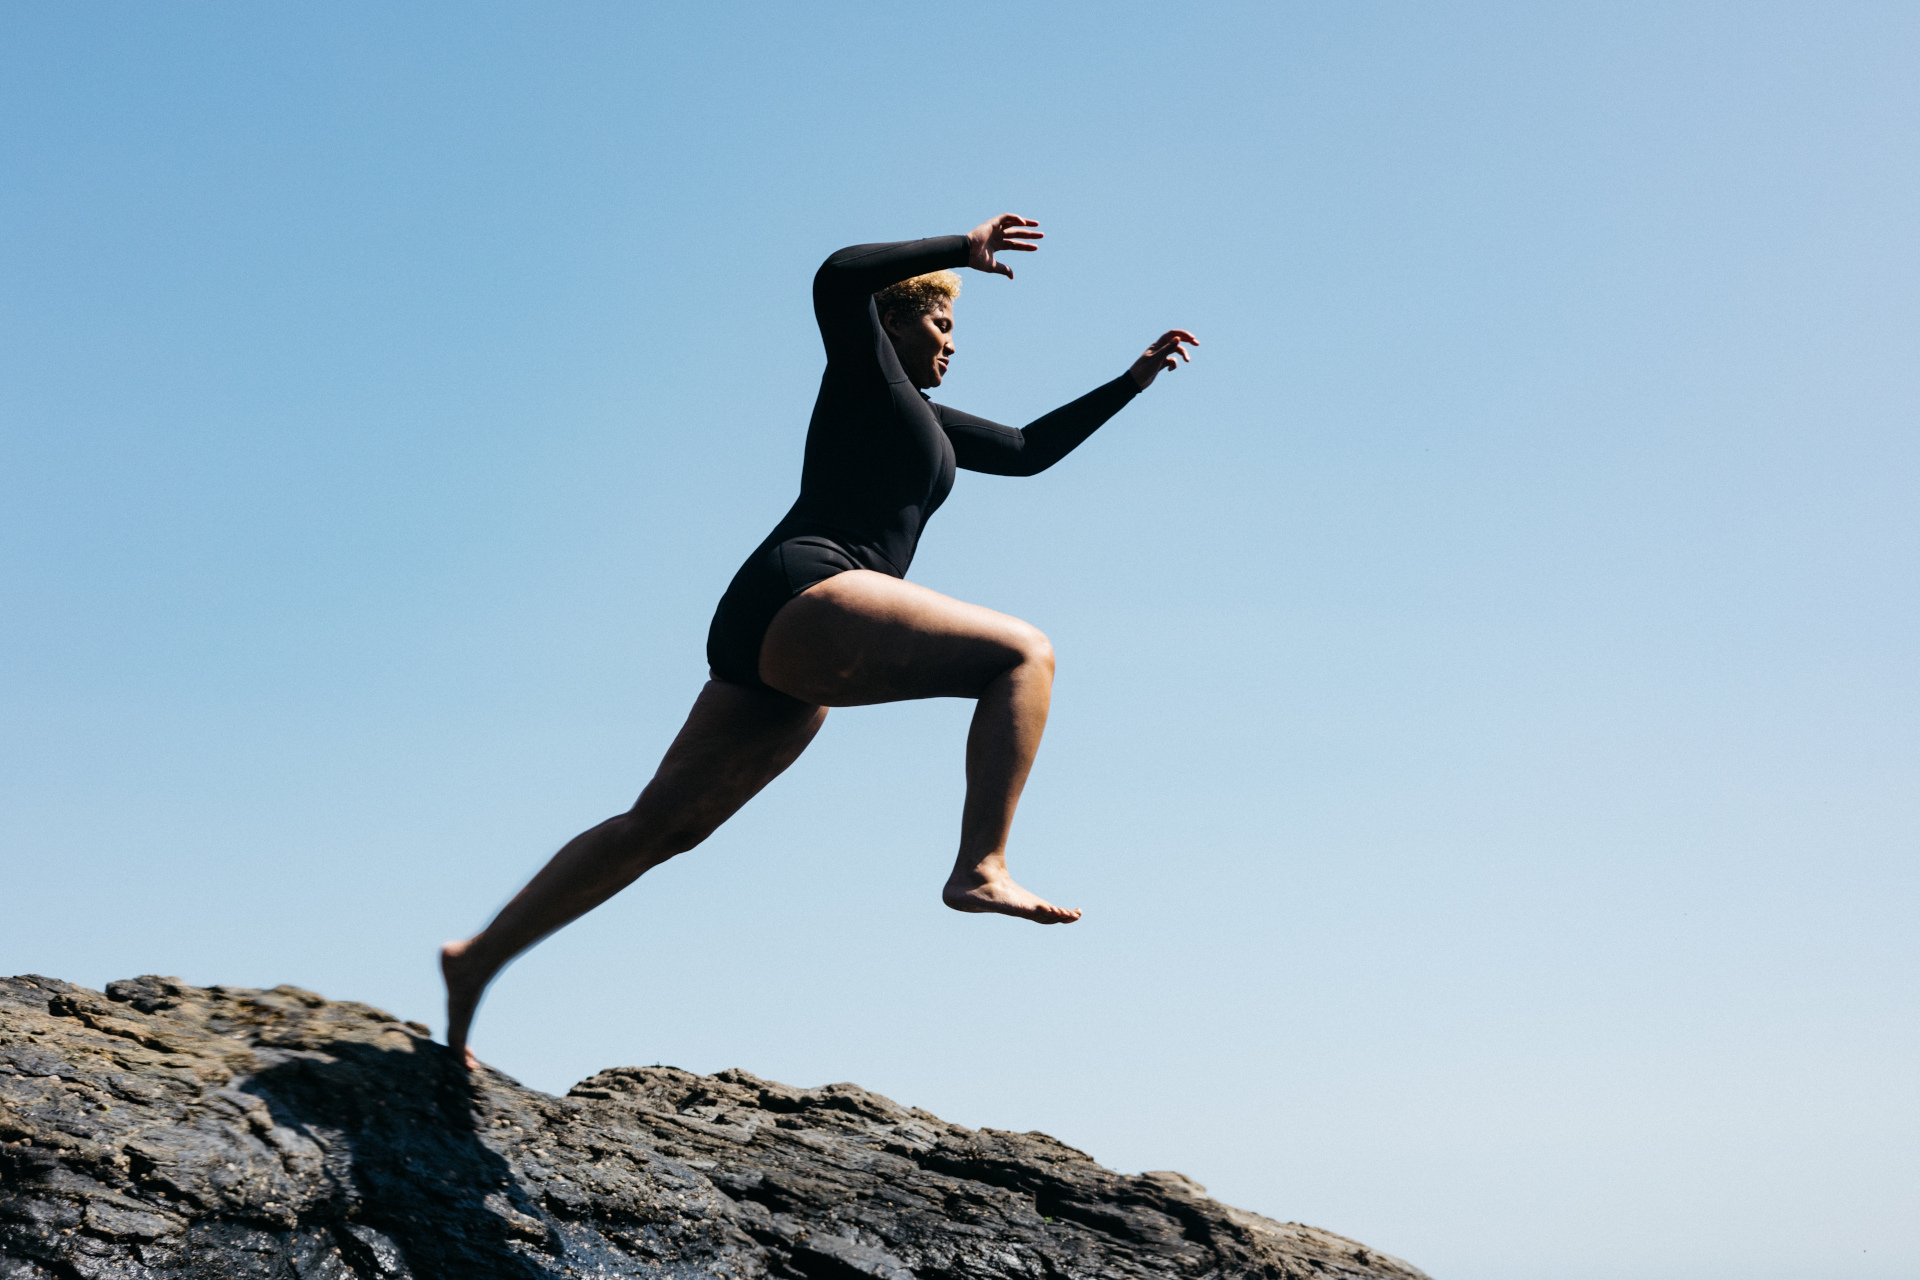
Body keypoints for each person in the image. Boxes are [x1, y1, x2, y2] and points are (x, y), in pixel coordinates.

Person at [441, 213, 1197, 1068]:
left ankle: (477, 964)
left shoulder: (928, 417)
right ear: (895, 321)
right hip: (806, 587)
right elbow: (837, 276)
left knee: (656, 829)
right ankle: (980, 865)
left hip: (782, 627)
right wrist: (960, 247)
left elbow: (1027, 451)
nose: (952, 342)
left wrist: (1131, 381)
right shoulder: (862, 369)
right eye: (941, 323)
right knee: (1022, 654)